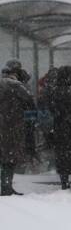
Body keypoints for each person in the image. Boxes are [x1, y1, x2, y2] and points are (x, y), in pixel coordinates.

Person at [0, 61, 35, 196]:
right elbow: (29, 100)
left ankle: (5, 185)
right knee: (9, 159)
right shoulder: (16, 86)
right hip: (11, 127)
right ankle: (6, 186)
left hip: (5, 127)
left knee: (5, 158)